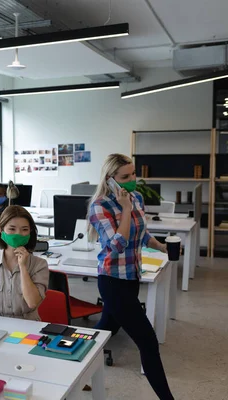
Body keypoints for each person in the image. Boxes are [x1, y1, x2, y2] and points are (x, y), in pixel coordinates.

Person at [88, 153, 173, 400]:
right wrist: (125, 210)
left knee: (103, 332)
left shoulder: (136, 197)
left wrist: (161, 246)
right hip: (112, 280)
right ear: (110, 179)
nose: (132, 179)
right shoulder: (100, 206)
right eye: (125, 176)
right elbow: (117, 244)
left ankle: (70, 366)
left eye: (133, 174)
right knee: (147, 342)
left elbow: (143, 234)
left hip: (132, 275)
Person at [0, 205, 48, 320]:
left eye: (24, 229)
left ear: (30, 232)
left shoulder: (40, 264)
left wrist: (23, 267)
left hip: (29, 324)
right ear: (1, 230)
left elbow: (32, 303)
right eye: (12, 229)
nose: (18, 234)